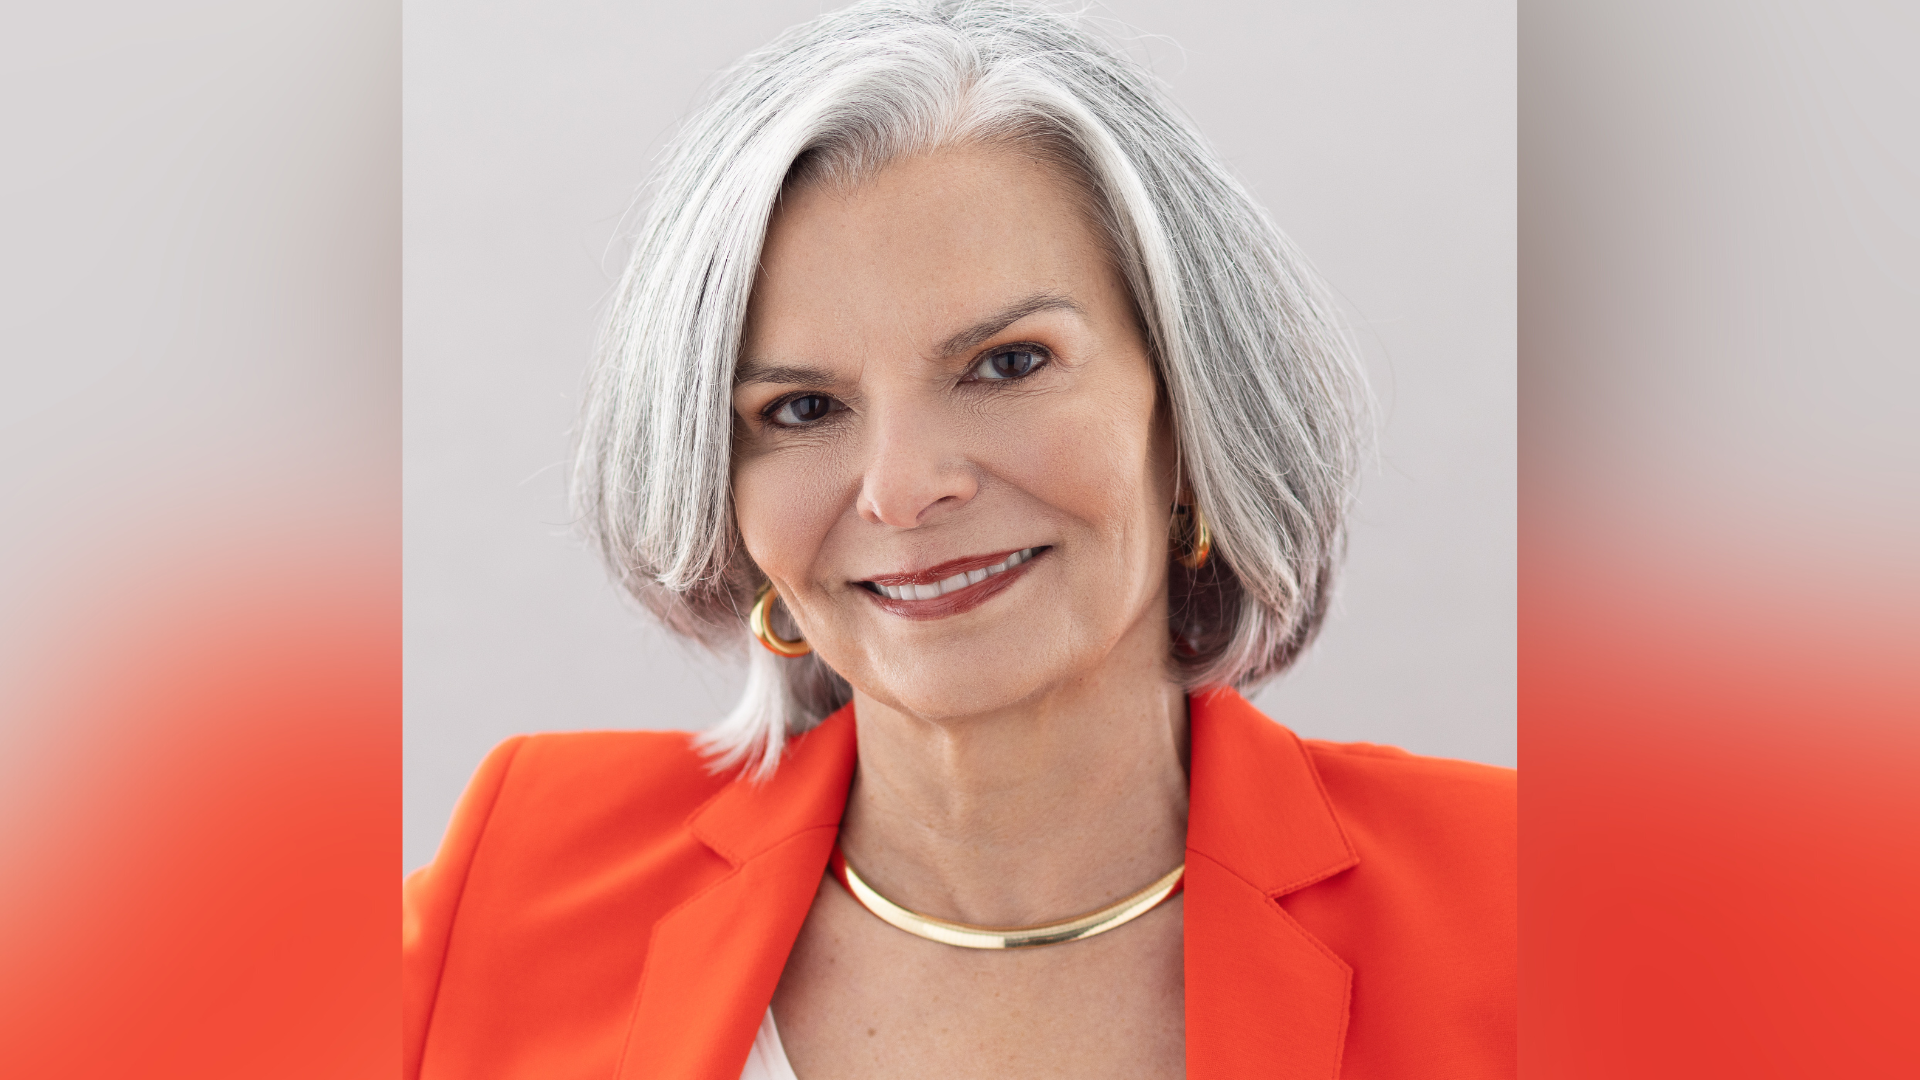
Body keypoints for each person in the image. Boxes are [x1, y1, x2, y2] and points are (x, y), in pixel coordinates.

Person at [402, 2, 1515, 1077]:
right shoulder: (516, 882)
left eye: (1007, 364)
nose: (902, 490)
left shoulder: (1525, 905)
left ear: (1185, 407)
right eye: (799, 409)